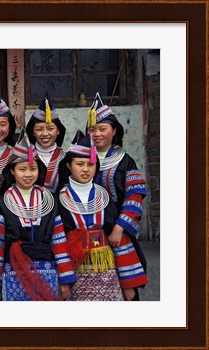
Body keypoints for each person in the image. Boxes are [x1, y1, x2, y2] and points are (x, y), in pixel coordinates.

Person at [57, 131, 148, 301]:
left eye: (91, 164)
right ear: (69, 166)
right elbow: (57, 243)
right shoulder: (58, 199)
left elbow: (120, 242)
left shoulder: (104, 198)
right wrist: (64, 279)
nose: (85, 169)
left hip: (107, 272)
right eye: (80, 164)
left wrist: (128, 284)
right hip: (74, 272)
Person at [0, 133, 76, 301]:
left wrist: (65, 278)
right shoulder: (3, 202)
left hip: (47, 272)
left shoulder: (48, 199)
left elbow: (58, 240)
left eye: (32, 168)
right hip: (13, 271)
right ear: (12, 171)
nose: (28, 174)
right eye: (22, 169)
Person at [86, 92, 148, 300]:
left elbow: (134, 197)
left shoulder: (125, 161)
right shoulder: (81, 159)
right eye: (92, 129)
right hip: (88, 232)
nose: (97, 134)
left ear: (114, 131)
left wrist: (119, 229)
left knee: (127, 289)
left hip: (117, 231)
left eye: (102, 129)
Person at [26, 95, 66, 193]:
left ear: (58, 131)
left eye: (50, 129)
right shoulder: (23, 156)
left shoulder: (65, 158)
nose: (45, 134)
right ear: (33, 132)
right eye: (39, 129)